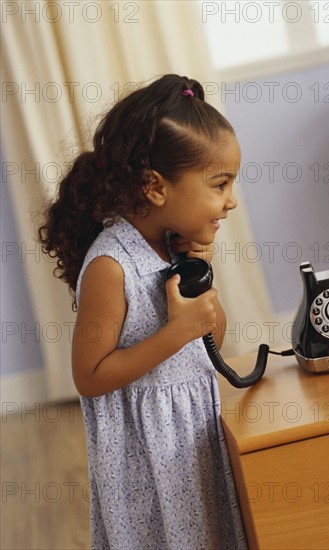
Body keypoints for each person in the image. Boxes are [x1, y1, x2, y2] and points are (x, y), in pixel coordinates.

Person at [39, 74, 247, 550]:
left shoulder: (175, 248)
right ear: (155, 186)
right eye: (219, 184)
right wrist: (177, 333)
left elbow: (212, 333)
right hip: (147, 460)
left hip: (194, 435)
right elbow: (89, 376)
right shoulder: (112, 266)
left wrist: (197, 275)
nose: (231, 200)